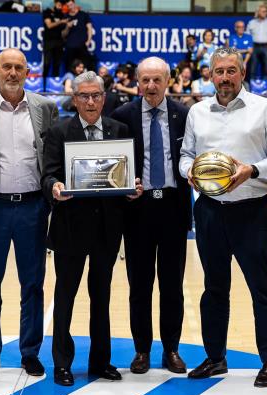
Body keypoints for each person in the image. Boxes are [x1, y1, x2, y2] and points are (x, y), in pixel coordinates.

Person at [179, 47, 267, 388]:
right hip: (210, 211)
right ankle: (215, 358)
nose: (225, 78)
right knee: (214, 288)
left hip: (252, 211)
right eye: (219, 72)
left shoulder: (265, 108)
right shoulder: (197, 112)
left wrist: (253, 169)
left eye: (231, 71)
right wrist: (191, 172)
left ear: (242, 74)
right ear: (210, 75)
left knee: (262, 288)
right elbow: (185, 155)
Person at [42, 71, 142, 387]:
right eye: (83, 95)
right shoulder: (59, 132)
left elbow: (127, 177)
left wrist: (131, 189)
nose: (90, 101)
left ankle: (100, 362)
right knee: (65, 296)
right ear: (75, 99)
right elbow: (48, 176)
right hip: (70, 228)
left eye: (95, 95)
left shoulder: (120, 130)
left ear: (103, 97)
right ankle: (62, 363)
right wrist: (55, 187)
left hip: (107, 229)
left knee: (101, 297)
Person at [0, 48, 58, 379]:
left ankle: (30, 352)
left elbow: (54, 156)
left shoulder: (45, 108)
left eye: (19, 67)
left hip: (33, 207)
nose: (13, 73)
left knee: (32, 286)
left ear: (28, 72)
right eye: (7, 67)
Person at [111, 57, 191, 375]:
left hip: (173, 206)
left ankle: (171, 349)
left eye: (157, 79)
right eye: (145, 80)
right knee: (139, 286)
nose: (151, 86)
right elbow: (113, 165)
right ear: (137, 82)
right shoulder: (121, 116)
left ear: (168, 80)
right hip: (137, 210)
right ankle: (141, 350)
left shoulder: (185, 116)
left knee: (172, 285)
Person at [247, 3, 267, 80]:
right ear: (258, 12)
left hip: (266, 47)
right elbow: (247, 35)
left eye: (266, 11)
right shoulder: (252, 22)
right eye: (263, 11)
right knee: (252, 68)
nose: (265, 13)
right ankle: (252, 89)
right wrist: (249, 45)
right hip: (255, 47)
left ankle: (265, 88)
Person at [63, 0, 94, 71]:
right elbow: (63, 34)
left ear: (74, 4)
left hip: (82, 45)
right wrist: (67, 27)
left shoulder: (83, 15)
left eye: (71, 4)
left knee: (85, 65)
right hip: (70, 46)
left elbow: (89, 28)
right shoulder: (66, 17)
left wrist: (88, 41)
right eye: (68, 6)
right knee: (70, 67)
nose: (71, 7)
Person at [42, 0, 70, 79]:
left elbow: (63, 33)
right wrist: (61, 21)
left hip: (59, 42)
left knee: (57, 64)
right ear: (55, 3)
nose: (60, 6)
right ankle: (43, 83)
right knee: (47, 63)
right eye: (59, 4)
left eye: (61, 5)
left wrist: (67, 26)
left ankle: (55, 86)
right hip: (49, 41)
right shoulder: (47, 12)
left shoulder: (62, 14)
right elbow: (49, 25)